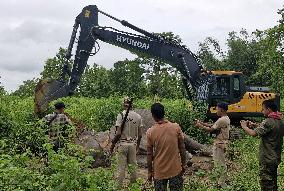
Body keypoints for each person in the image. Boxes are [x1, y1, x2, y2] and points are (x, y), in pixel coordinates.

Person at [240, 100, 284, 191]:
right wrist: (255, 125)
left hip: (267, 159)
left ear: (268, 109)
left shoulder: (268, 121)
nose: (261, 111)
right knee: (273, 184)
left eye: (263, 109)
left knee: (266, 186)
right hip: (275, 158)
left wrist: (244, 126)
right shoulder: (279, 121)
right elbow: (269, 129)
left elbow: (253, 134)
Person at [147, 103, 186, 191]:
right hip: (175, 169)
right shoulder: (176, 127)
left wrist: (150, 172)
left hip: (159, 172)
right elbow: (182, 148)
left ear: (153, 115)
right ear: (164, 113)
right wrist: (183, 164)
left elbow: (149, 154)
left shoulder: (150, 132)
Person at [194, 102, 230, 188]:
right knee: (220, 163)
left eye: (217, 109)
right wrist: (202, 123)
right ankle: (220, 182)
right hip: (222, 143)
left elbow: (210, 129)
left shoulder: (222, 120)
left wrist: (199, 126)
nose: (216, 111)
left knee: (219, 164)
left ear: (221, 110)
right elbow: (212, 125)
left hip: (219, 144)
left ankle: (221, 184)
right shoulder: (225, 118)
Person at [110, 97, 143, 189]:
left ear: (124, 104)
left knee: (120, 169)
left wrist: (112, 144)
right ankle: (134, 187)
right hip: (132, 145)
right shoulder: (138, 117)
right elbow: (140, 135)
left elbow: (118, 133)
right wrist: (137, 146)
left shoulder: (120, 115)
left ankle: (117, 188)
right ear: (131, 105)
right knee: (133, 168)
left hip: (122, 144)